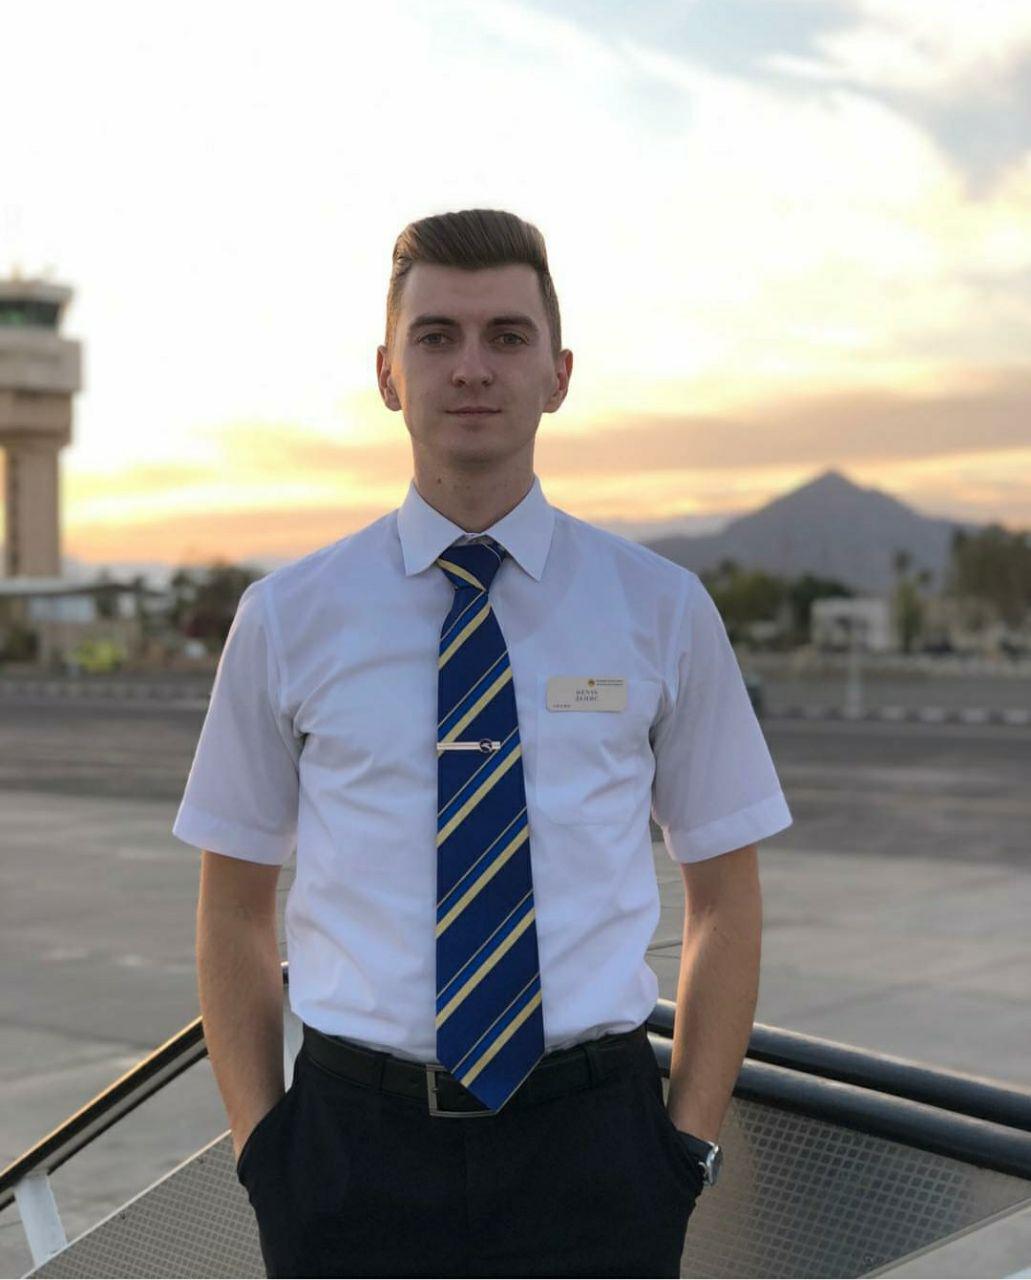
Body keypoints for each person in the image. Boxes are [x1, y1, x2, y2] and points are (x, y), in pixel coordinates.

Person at [173, 207, 793, 1278]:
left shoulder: (661, 609)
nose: (471, 366)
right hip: (348, 1161)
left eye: (506, 336)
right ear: (386, 373)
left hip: (594, 1156)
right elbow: (232, 906)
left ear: (557, 374)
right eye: (436, 337)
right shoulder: (286, 617)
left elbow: (725, 900)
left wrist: (683, 1148)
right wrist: (264, 1151)